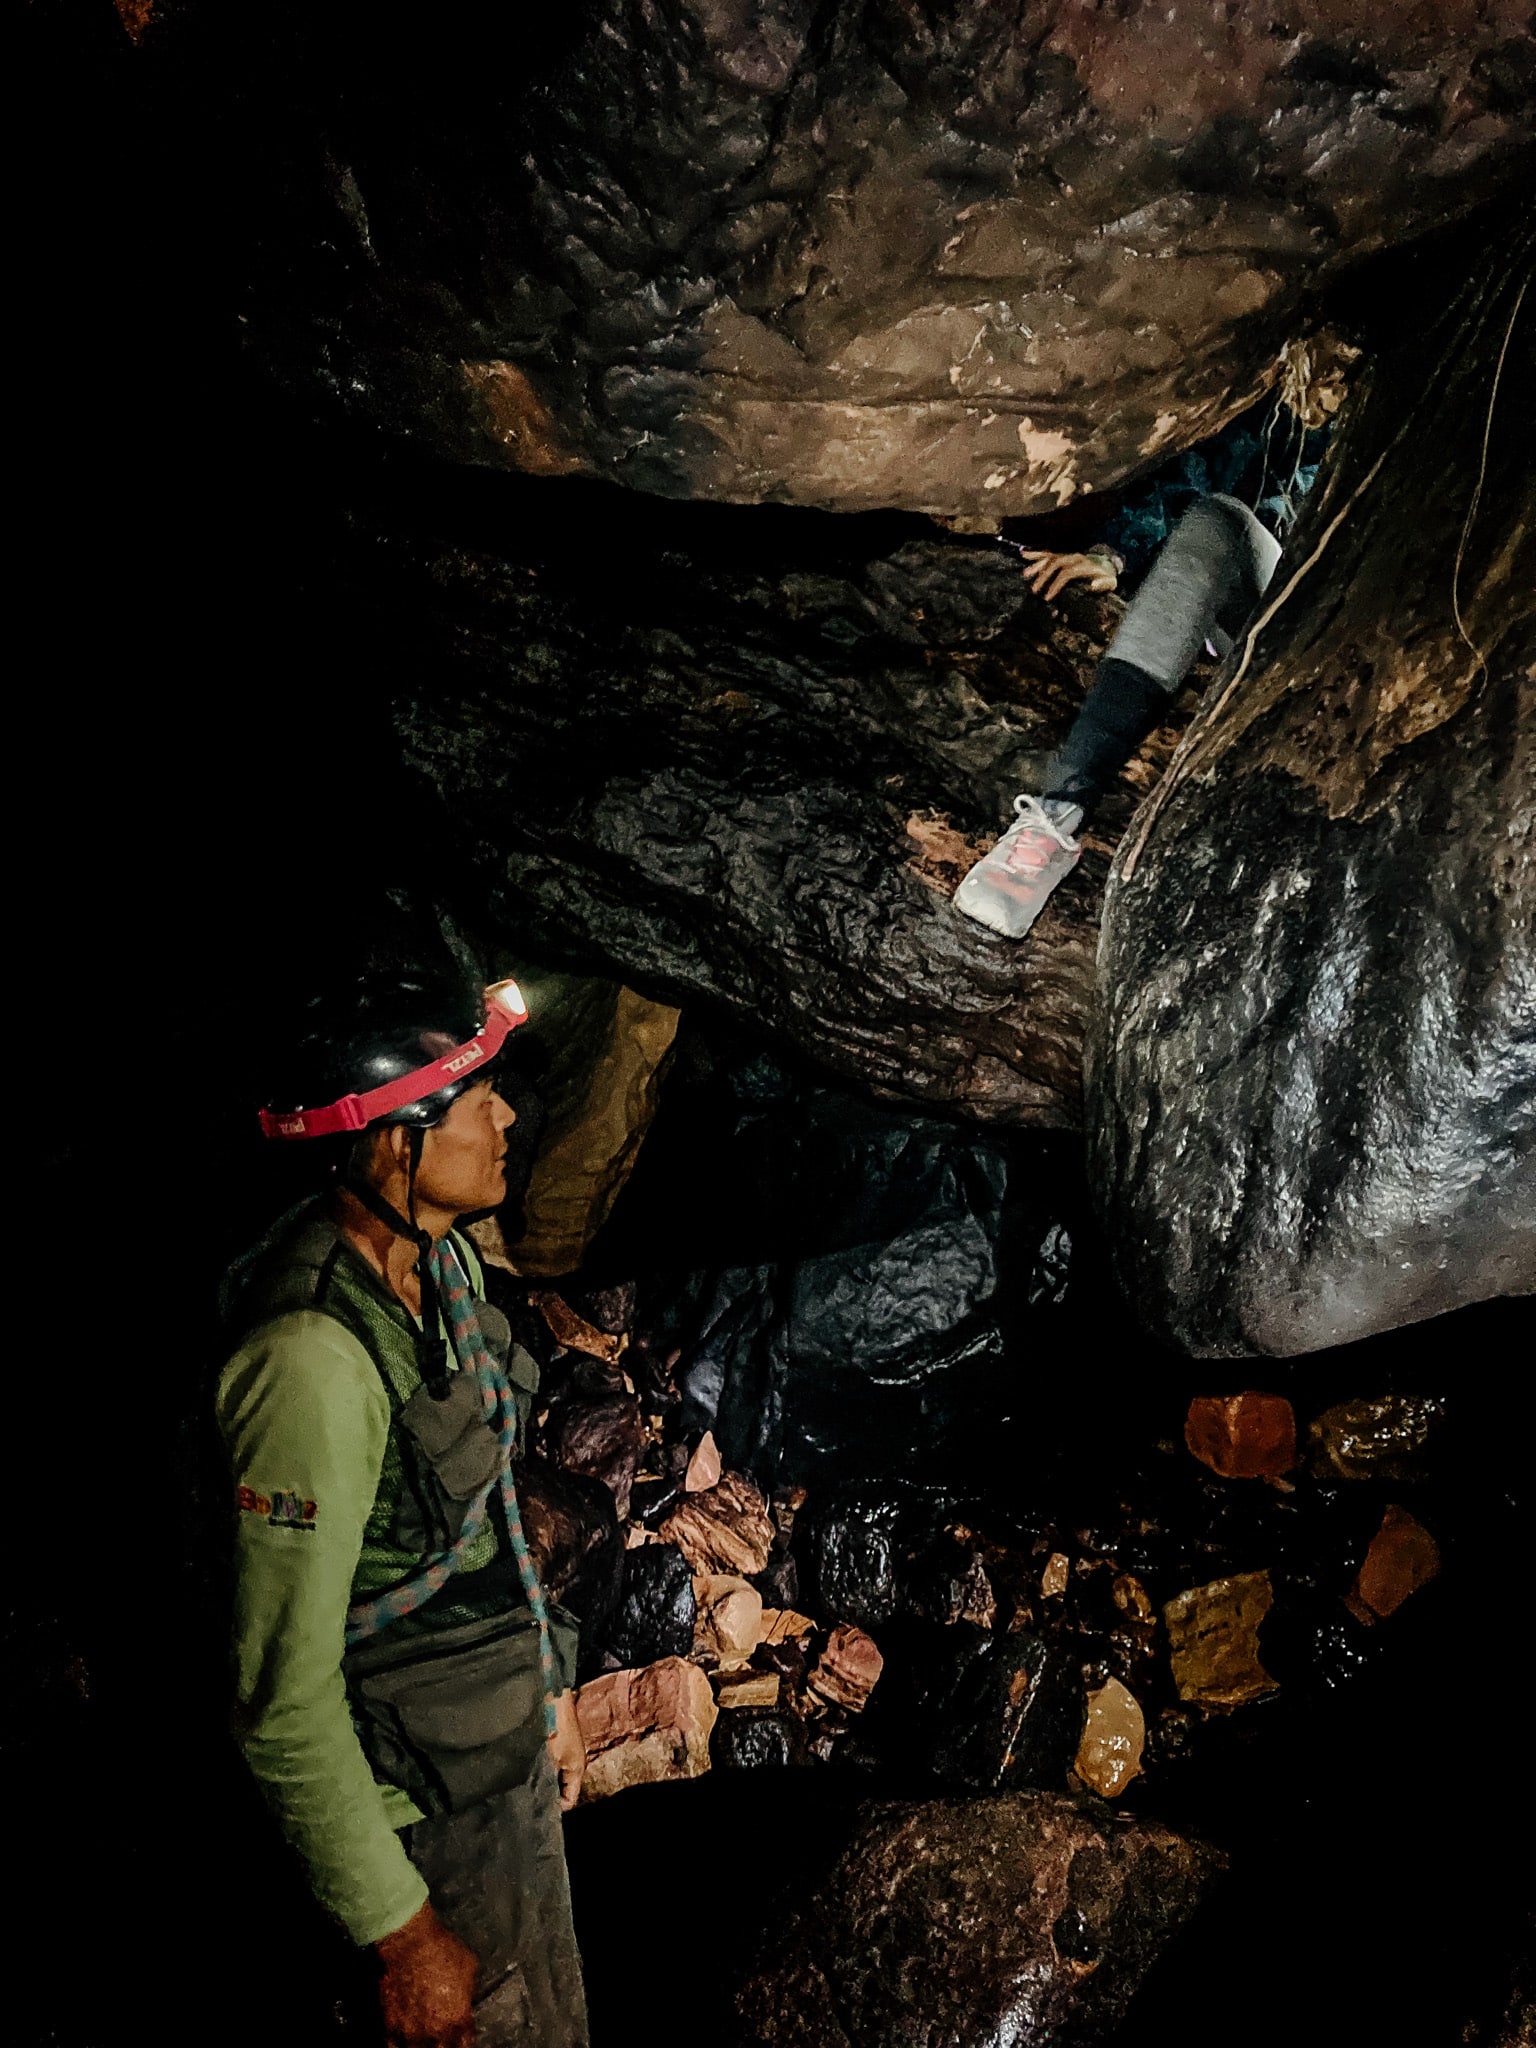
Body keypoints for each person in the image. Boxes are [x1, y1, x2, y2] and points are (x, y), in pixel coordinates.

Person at [216, 971, 589, 2048]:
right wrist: (401, 1930)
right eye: (479, 1098)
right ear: (395, 1144)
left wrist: (547, 1686)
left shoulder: (438, 1260)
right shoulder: (312, 1361)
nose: (508, 1113)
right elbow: (281, 1704)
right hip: (414, 1804)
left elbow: (486, 1512)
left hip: (487, 1734)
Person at [954, 365, 1340, 941]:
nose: (1334, 387)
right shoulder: (1285, 411)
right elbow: (1205, 470)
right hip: (1249, 601)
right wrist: (1115, 552)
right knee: (1216, 517)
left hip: (1336, 626)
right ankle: (1057, 817)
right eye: (1330, 370)